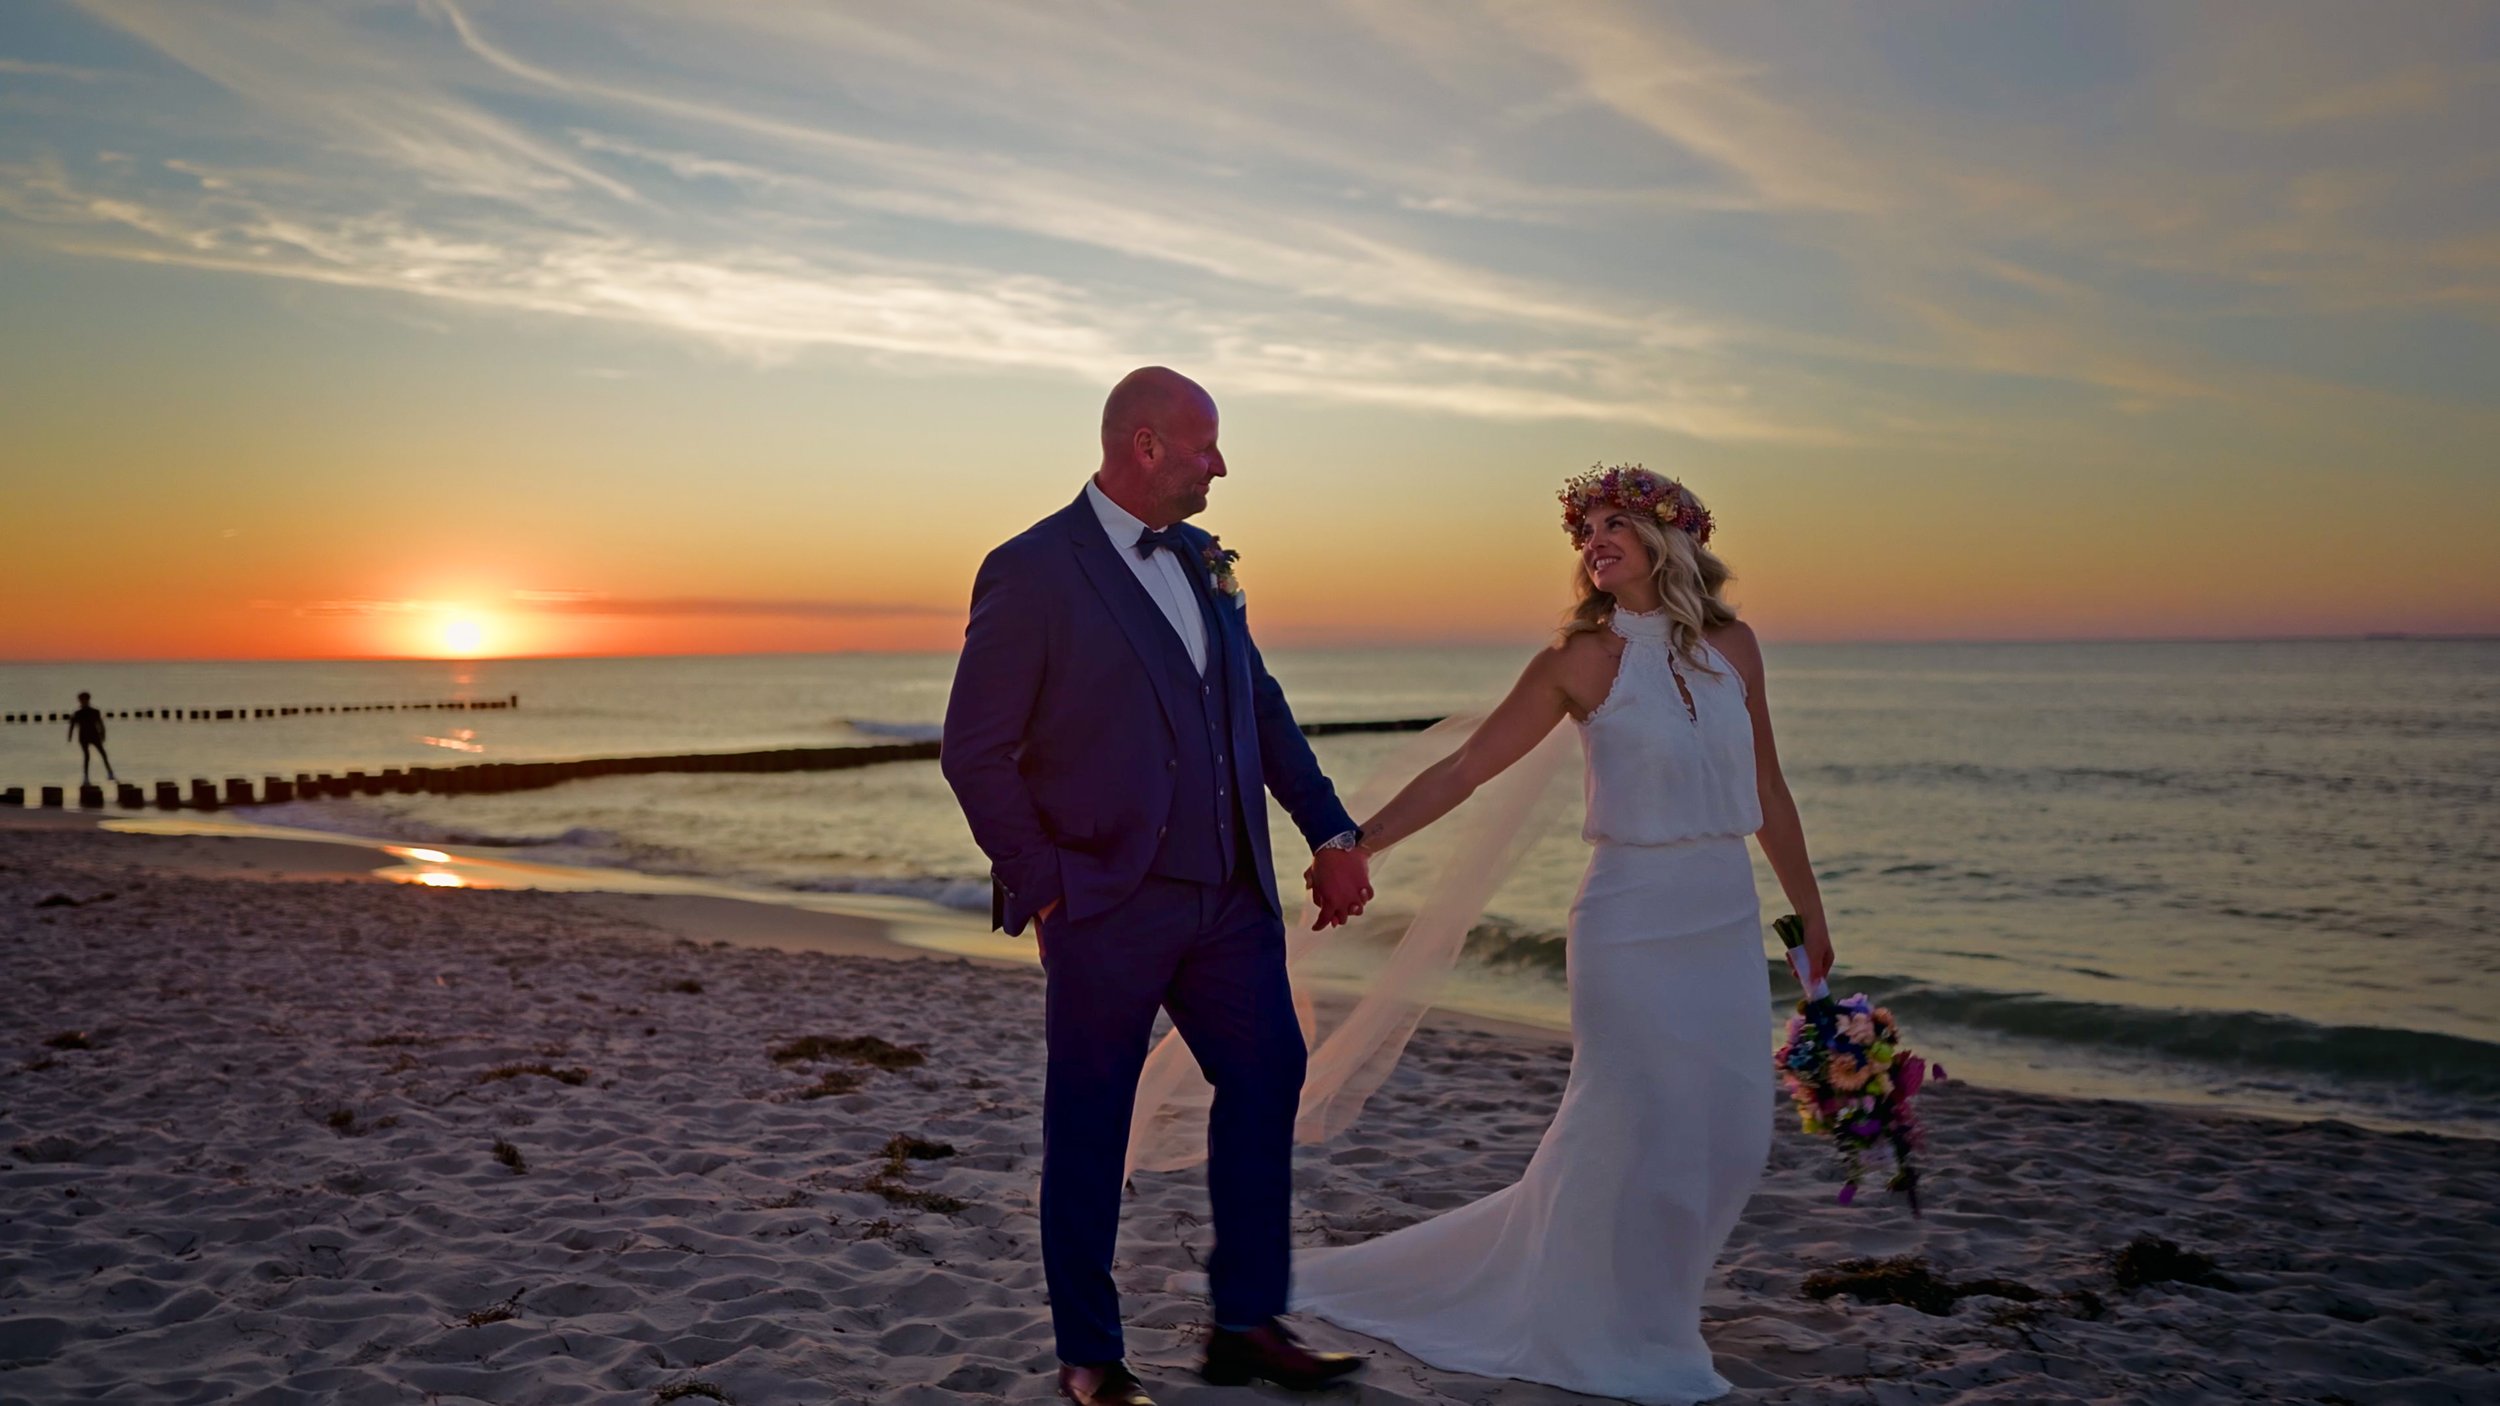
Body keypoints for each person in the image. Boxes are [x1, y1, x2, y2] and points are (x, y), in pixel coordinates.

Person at [1276, 466, 1837, 1405]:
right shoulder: (1576, 661)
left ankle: (1652, 1300)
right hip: (1626, 917)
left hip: (1723, 914)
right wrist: (1357, 844)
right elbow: (1465, 768)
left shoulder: (1735, 647)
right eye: (1587, 529)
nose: (1594, 540)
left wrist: (1809, 912)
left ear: (1671, 539)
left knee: (1733, 1129)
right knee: (1636, 1119)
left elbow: (1768, 787)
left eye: (1615, 523)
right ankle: (1620, 1326)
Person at [940, 367, 1374, 1406]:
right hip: (1104, 900)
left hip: (1228, 895)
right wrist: (1048, 887)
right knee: (1091, 1119)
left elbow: (1259, 708)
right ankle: (1090, 1355)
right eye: (1204, 445)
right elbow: (974, 750)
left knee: (1268, 1073)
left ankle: (1246, 1322)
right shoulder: (1032, 569)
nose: (1220, 464)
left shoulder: (1204, 560)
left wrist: (1330, 829)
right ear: (1144, 445)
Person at [67, 693, 115, 785]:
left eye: (85, 699)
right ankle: (86, 777)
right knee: (87, 756)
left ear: (88, 700)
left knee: (103, 754)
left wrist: (103, 734)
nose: (83, 701)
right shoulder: (77, 713)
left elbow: (100, 724)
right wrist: (69, 737)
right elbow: (72, 726)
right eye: (81, 700)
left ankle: (110, 773)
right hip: (83, 737)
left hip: (94, 735)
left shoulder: (95, 711)